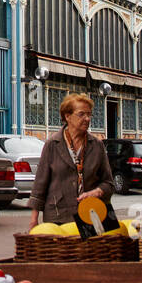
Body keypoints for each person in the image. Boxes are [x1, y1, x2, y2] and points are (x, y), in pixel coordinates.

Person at [28, 93, 114, 231]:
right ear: (67, 116)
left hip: (91, 214)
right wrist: (33, 220)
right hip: (58, 216)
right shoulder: (52, 144)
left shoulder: (97, 145)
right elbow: (40, 185)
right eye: (81, 114)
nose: (87, 119)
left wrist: (97, 192)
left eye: (89, 114)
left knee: (91, 252)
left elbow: (109, 183)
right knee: (63, 253)